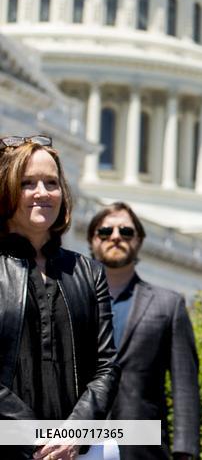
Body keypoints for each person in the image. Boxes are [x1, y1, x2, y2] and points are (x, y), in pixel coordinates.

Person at [0, 135, 120, 460]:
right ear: (6, 190)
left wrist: (73, 434)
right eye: (27, 183)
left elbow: (107, 366)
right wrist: (36, 439)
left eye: (51, 183)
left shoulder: (88, 272)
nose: (42, 192)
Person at [87, 201, 199, 460]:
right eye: (105, 231)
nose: (116, 237)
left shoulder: (168, 304)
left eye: (126, 231)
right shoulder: (69, 301)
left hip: (143, 447)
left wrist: (185, 452)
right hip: (79, 442)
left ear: (139, 240)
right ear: (92, 239)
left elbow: (185, 386)